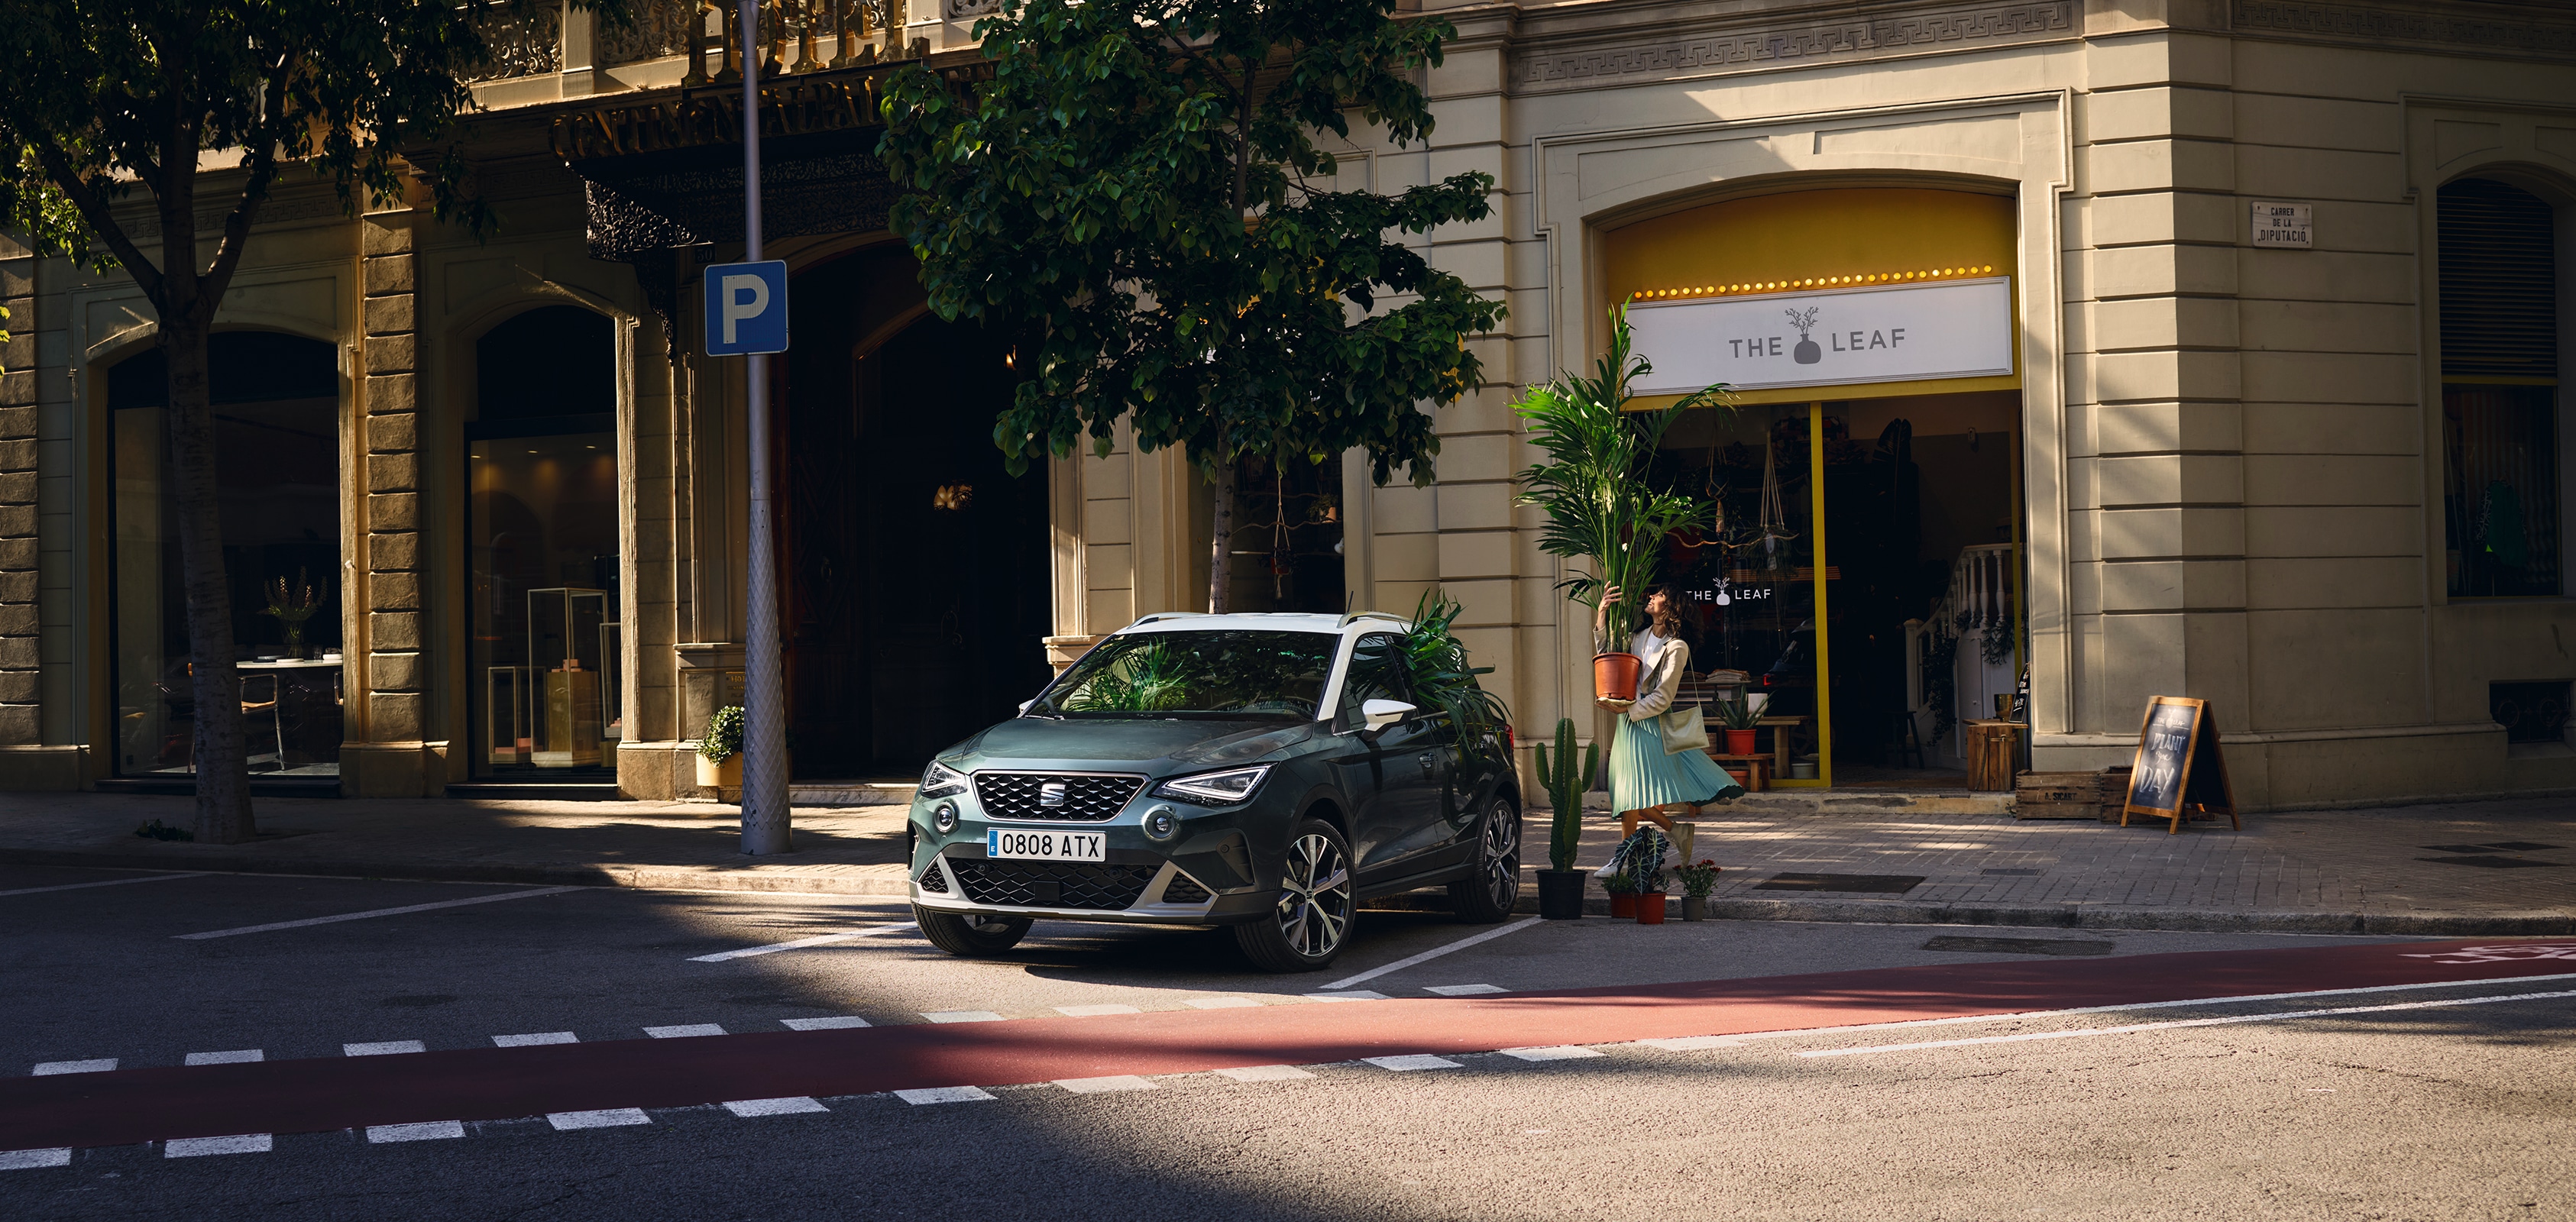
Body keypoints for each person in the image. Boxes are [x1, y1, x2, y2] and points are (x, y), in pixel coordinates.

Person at [1595, 582, 1743, 839]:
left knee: (1630, 792)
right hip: (1628, 721)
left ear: (1672, 608)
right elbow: (1611, 661)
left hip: (1648, 723)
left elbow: (1663, 697)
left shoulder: (1677, 647)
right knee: (1625, 792)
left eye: (1660, 594)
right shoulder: (1637, 636)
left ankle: (1625, 855)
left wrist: (1628, 711)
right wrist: (1601, 615)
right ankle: (1672, 832)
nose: (1651, 596)